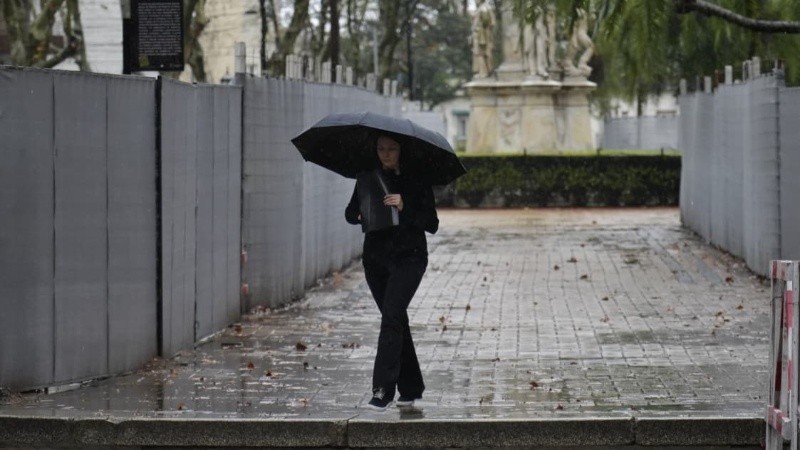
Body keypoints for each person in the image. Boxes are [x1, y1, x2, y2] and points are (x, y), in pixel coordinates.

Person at [345, 134, 439, 410]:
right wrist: (363, 211)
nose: (386, 154)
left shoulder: (417, 180)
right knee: (395, 319)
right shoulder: (367, 178)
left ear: (401, 151)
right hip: (376, 262)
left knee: (392, 317)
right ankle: (410, 387)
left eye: (392, 149)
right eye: (381, 148)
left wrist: (404, 204)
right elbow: (350, 214)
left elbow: (431, 223)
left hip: (409, 259)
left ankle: (383, 390)